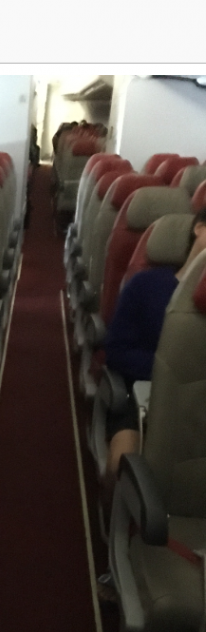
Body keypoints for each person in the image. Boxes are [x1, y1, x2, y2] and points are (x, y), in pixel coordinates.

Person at [98, 206, 206, 601]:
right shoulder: (147, 285)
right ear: (199, 229)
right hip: (141, 398)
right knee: (120, 464)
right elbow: (116, 351)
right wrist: (167, 371)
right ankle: (118, 556)